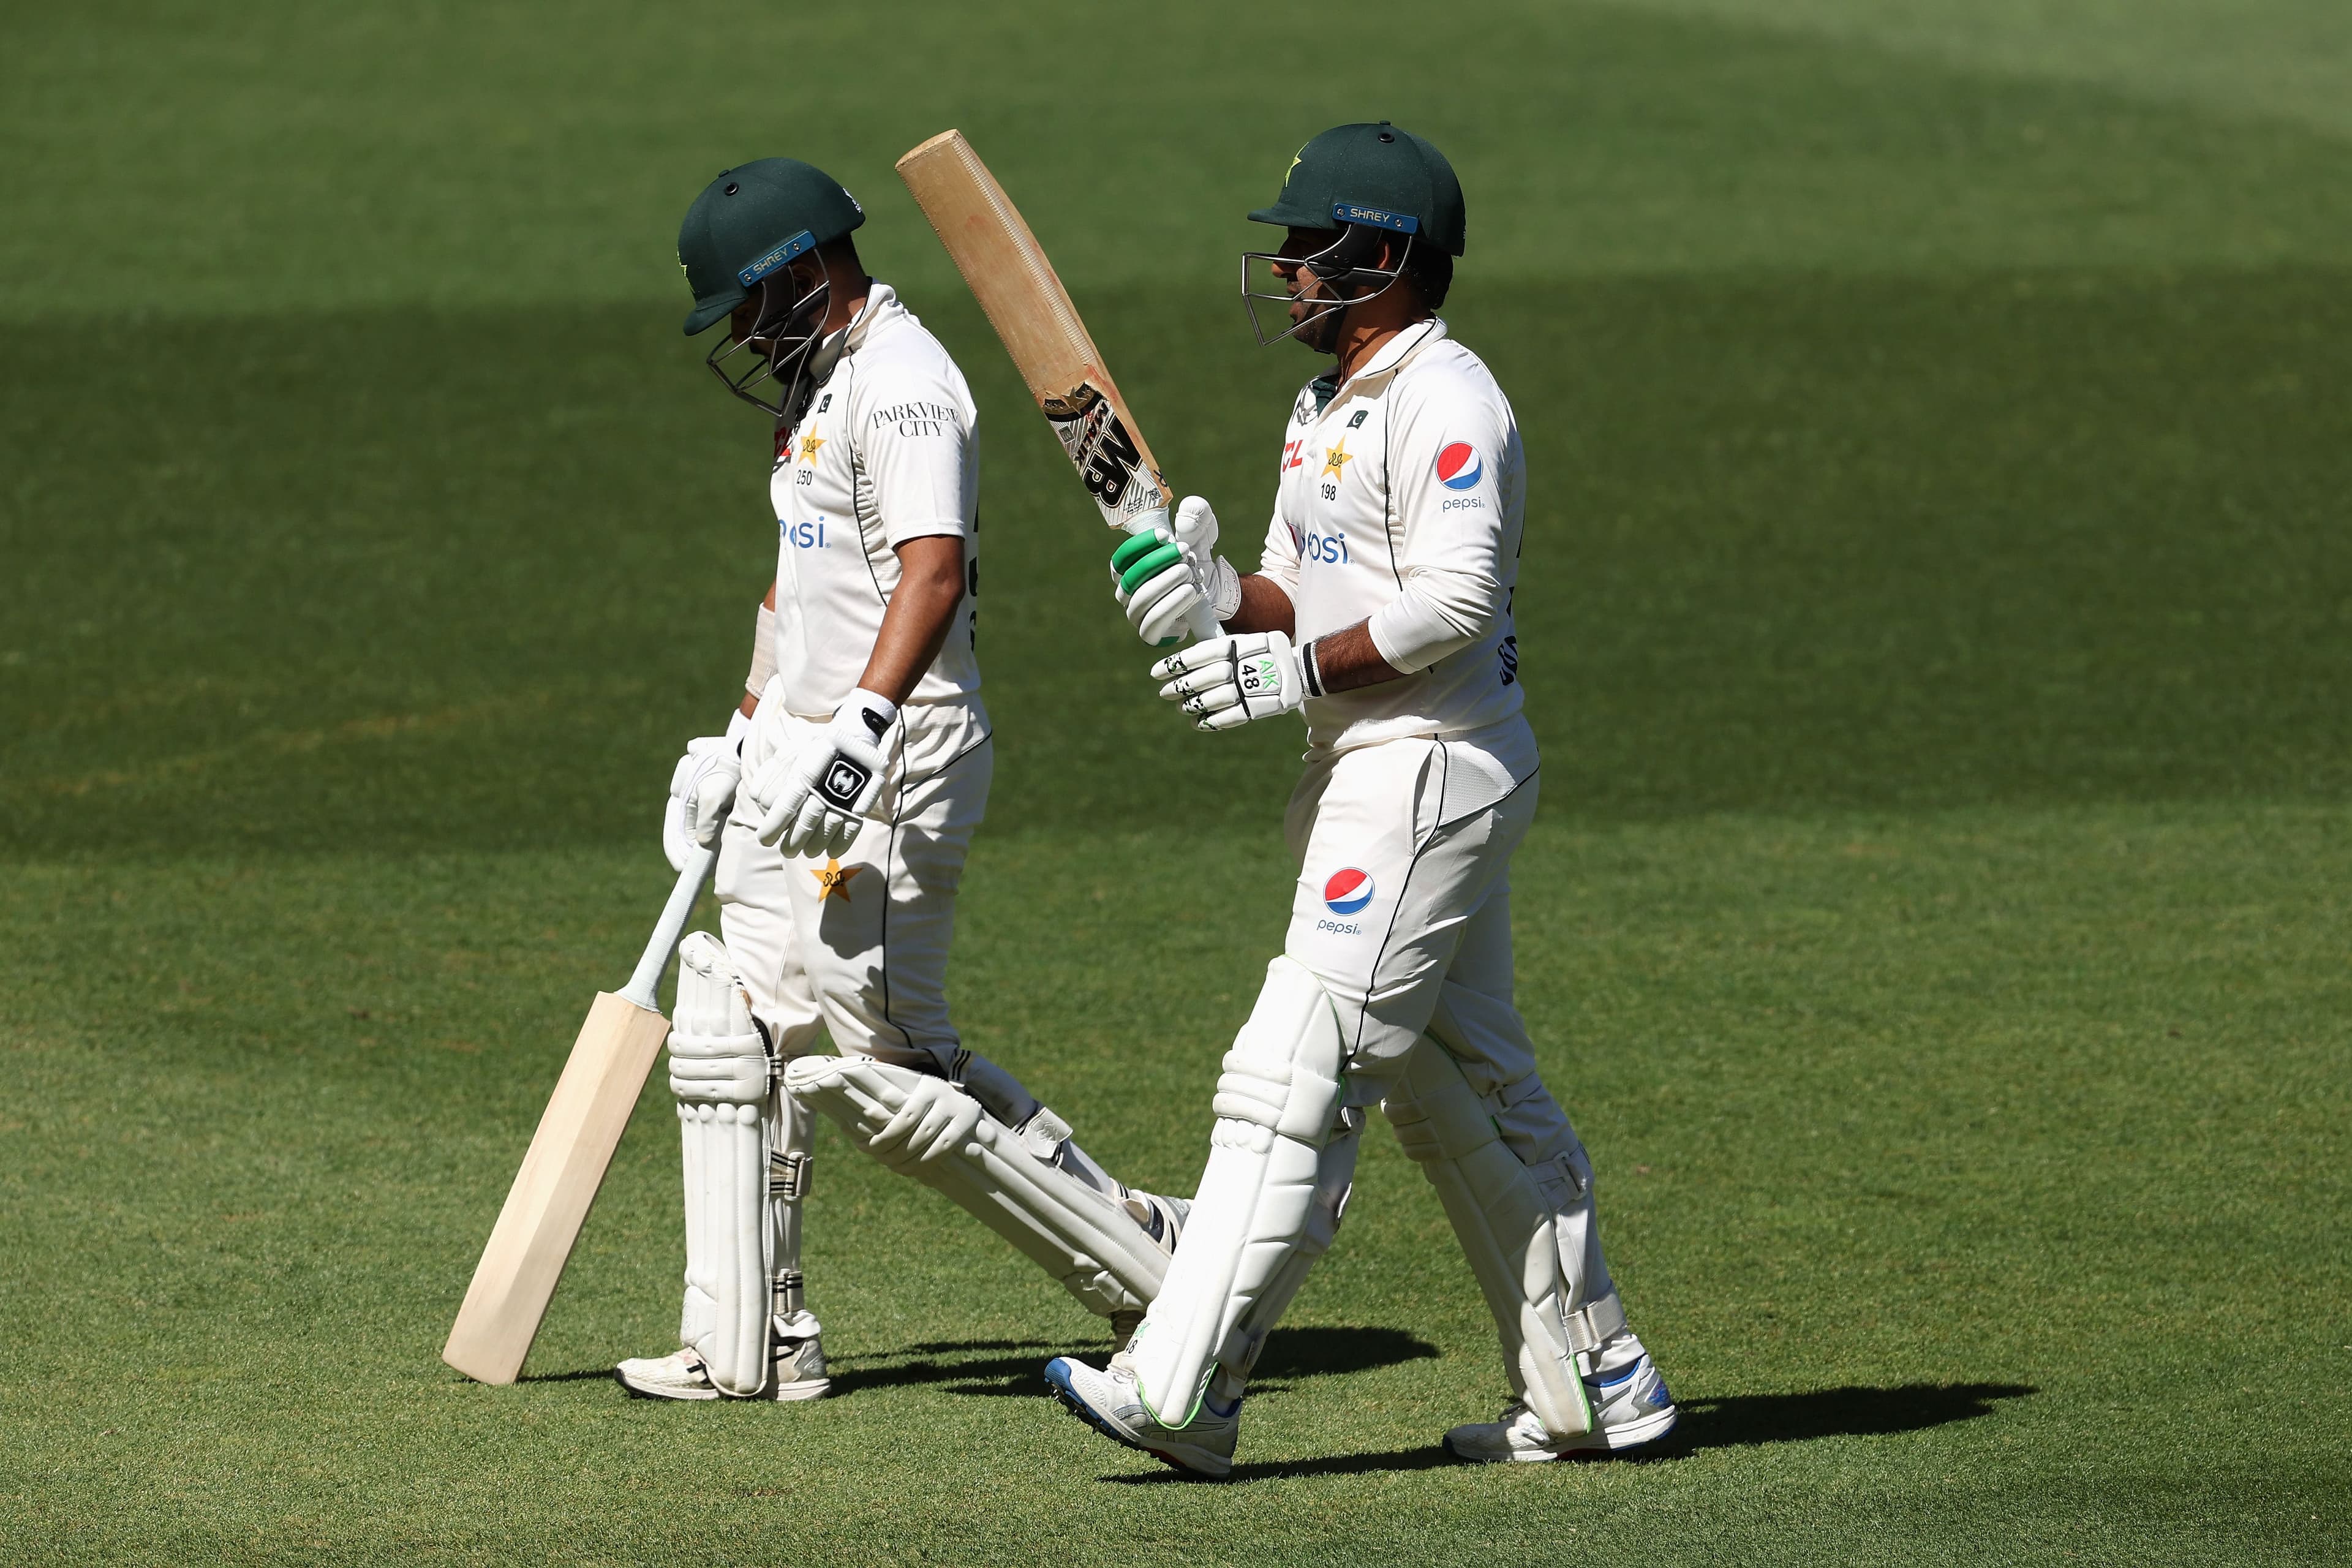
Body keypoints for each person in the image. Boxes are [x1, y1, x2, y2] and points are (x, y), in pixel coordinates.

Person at [1044, 123, 1676, 1472]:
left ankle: (1186, 1385)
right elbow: (1289, 588)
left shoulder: (1454, 399)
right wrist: (1210, 596)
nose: (1284, 273)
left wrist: (1288, 671)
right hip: (1369, 769)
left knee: (1295, 1069)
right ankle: (1596, 1379)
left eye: (1306, 248)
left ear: (1381, 255)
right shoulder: (1325, 402)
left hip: (1428, 770)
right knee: (1465, 1089)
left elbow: (1455, 601)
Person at [616, 157, 1185, 1403]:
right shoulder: (819, 386)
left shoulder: (909, 387)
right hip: (802, 748)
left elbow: (928, 572)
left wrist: (859, 728)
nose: (747, 339)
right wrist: (740, 728)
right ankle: (750, 1341)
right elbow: (797, 582)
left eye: (752, 308)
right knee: (741, 1023)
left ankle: (1162, 1270)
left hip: (896, 752)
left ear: (807, 273)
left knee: (888, 1064)